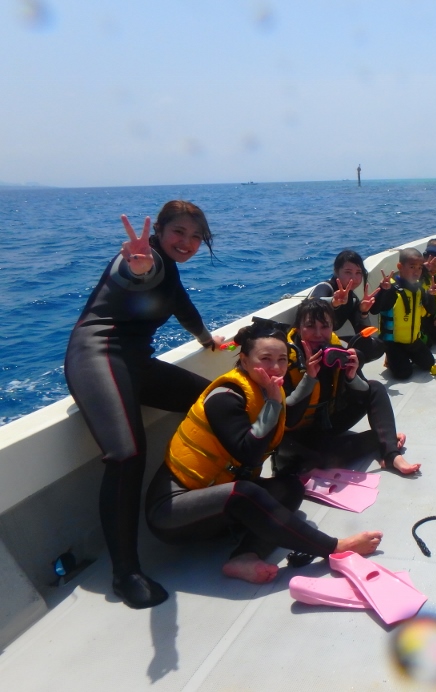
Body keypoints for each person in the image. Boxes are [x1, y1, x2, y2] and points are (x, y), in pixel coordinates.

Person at [64, 201, 224, 609]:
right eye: (179, 232)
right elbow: (136, 273)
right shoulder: (144, 259)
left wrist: (208, 340)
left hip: (135, 363)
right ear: (160, 232)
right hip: (97, 354)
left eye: (196, 237)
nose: (187, 242)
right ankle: (125, 574)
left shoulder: (169, 269)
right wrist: (140, 266)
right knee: (127, 454)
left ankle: (205, 488)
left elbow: (182, 306)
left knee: (214, 402)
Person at [146, 321, 383, 585]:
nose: (276, 367)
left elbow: (289, 417)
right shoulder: (225, 398)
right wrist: (273, 403)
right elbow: (248, 453)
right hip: (172, 513)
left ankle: (245, 556)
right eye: (265, 359)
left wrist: (310, 376)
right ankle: (333, 547)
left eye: (282, 360)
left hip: (217, 500)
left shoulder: (265, 387)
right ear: (244, 361)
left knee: (290, 488)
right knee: (245, 493)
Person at [275, 298, 420, 476]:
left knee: (375, 387)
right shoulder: (283, 359)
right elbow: (288, 418)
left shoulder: (339, 349)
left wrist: (352, 377)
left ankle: (391, 454)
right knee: (322, 459)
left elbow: (366, 394)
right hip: (295, 434)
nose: (318, 334)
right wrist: (309, 378)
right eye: (310, 326)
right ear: (298, 328)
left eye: (325, 326)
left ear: (332, 327)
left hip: (327, 423)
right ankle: (378, 438)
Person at [370, 247, 436, 380]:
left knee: (429, 364)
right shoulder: (390, 288)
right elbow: (374, 310)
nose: (416, 272)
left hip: (412, 340)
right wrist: (383, 291)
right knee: (404, 374)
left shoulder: (418, 289)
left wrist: (431, 295)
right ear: (400, 267)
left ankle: (404, 357)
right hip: (393, 343)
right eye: (412, 267)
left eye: (420, 268)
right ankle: (392, 358)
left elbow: (432, 310)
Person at [307, 249, 386, 363]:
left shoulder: (352, 299)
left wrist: (363, 312)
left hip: (329, 342)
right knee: (355, 354)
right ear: (336, 271)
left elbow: (363, 334)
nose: (354, 278)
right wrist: (333, 302)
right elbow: (311, 303)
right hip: (312, 343)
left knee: (375, 346)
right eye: (348, 272)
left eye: (358, 273)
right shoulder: (325, 287)